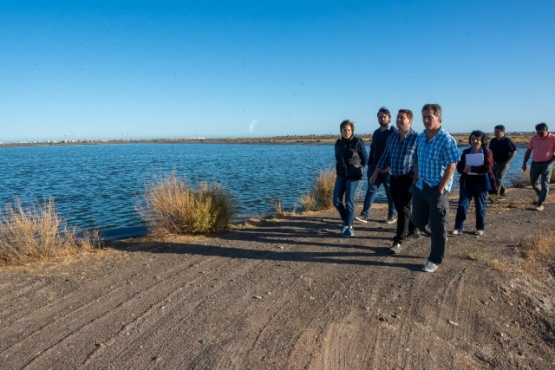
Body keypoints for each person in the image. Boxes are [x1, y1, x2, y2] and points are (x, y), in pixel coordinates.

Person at [411, 104, 460, 273]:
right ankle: (437, 236)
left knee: (439, 224)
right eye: (423, 117)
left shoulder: (446, 139)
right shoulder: (421, 137)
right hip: (420, 186)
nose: (425, 120)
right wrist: (415, 181)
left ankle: (435, 259)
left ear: (438, 117)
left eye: (429, 117)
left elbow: (452, 165)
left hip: (436, 189)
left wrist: (440, 188)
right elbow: (418, 160)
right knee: (417, 219)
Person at [370, 109, 419, 254]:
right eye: (398, 118)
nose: (398, 120)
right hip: (394, 178)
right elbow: (385, 156)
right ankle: (414, 228)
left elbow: (418, 160)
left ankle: (398, 241)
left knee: (403, 209)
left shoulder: (417, 138)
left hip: (409, 178)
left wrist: (416, 180)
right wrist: (375, 172)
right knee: (400, 208)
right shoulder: (392, 137)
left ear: (410, 120)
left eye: (402, 118)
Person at [357, 107, 397, 224]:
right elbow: (373, 148)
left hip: (387, 169)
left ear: (389, 118)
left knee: (390, 192)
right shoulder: (376, 132)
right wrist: (370, 164)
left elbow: (394, 151)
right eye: (380, 117)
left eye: (384, 116)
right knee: (371, 190)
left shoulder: (394, 131)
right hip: (374, 167)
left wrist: (390, 165)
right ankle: (364, 215)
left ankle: (392, 215)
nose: (382, 118)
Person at [452, 130, 494, 236]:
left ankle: (480, 228)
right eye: (473, 139)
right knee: (462, 205)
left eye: (478, 139)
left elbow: (488, 167)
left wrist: (473, 169)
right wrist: (463, 169)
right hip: (467, 182)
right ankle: (458, 227)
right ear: (470, 140)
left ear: (482, 141)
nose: (475, 141)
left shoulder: (487, 152)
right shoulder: (466, 152)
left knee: (480, 206)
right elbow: (459, 166)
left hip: (481, 183)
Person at [333, 120, 368, 237]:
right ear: (341, 131)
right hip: (341, 175)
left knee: (349, 201)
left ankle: (350, 227)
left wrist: (358, 168)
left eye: (348, 130)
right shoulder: (338, 143)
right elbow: (337, 158)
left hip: (353, 176)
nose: (346, 132)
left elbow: (365, 158)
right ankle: (347, 219)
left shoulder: (357, 142)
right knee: (336, 200)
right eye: (344, 130)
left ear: (352, 130)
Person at [522, 122, 555, 211]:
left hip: (547, 163)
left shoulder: (553, 138)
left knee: (544, 183)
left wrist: (549, 162)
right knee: (533, 182)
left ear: (546, 130)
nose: (539, 135)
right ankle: (542, 196)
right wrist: (524, 163)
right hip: (535, 163)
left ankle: (541, 204)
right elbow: (528, 151)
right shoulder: (534, 138)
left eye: (541, 133)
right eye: (538, 132)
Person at [488, 125, 516, 201]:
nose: (496, 133)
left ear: (503, 132)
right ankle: (502, 191)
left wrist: (508, 161)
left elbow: (514, 151)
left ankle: (495, 195)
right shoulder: (493, 141)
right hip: (494, 163)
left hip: (504, 163)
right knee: (493, 178)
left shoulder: (507, 140)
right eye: (495, 131)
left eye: (498, 132)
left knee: (498, 178)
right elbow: (490, 152)